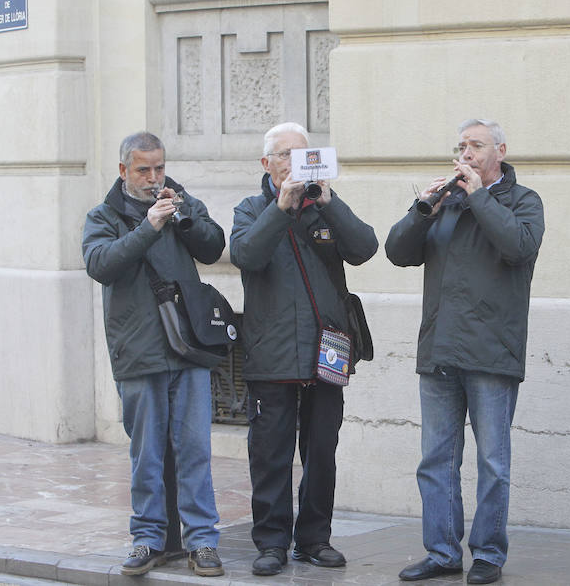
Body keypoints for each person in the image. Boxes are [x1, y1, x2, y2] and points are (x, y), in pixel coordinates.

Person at [386, 119, 545, 585]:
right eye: (461, 146)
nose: (466, 153)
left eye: (476, 145)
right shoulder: (443, 203)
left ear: (500, 151)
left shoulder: (523, 201)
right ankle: (440, 552)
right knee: (436, 459)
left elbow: (518, 247)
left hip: (492, 354)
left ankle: (489, 555)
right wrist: (422, 209)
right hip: (439, 350)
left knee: (493, 462)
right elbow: (397, 252)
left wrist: (479, 196)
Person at [229, 122, 378, 576]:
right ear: (267, 164)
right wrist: (281, 207)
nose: (296, 165)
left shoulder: (324, 210)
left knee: (321, 451)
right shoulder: (251, 209)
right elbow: (246, 255)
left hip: (325, 352)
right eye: (287, 156)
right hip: (271, 354)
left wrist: (329, 204)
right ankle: (271, 542)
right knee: (271, 454)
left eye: (304, 155)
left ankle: (314, 538)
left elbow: (366, 247)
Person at [82, 132, 226, 577]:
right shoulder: (103, 216)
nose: (154, 178)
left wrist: (182, 217)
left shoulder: (181, 202)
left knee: (195, 450)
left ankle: (201, 541)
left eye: (159, 168)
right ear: (124, 171)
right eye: (144, 170)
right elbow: (100, 265)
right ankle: (148, 539)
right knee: (147, 455)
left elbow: (214, 246)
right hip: (139, 352)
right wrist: (149, 228)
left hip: (189, 348)